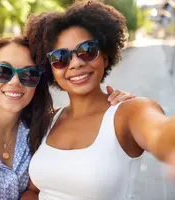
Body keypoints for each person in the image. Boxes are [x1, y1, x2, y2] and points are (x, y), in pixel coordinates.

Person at [0, 36, 134, 200]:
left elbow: (81, 115)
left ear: (37, 83)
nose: (14, 82)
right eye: (3, 72)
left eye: (28, 74)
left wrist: (113, 101)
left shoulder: (42, 127)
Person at [22, 1, 175, 199]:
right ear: (51, 69)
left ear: (104, 56)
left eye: (87, 50)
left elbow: (160, 132)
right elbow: (34, 191)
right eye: (60, 57)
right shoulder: (49, 120)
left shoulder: (129, 112)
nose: (76, 63)